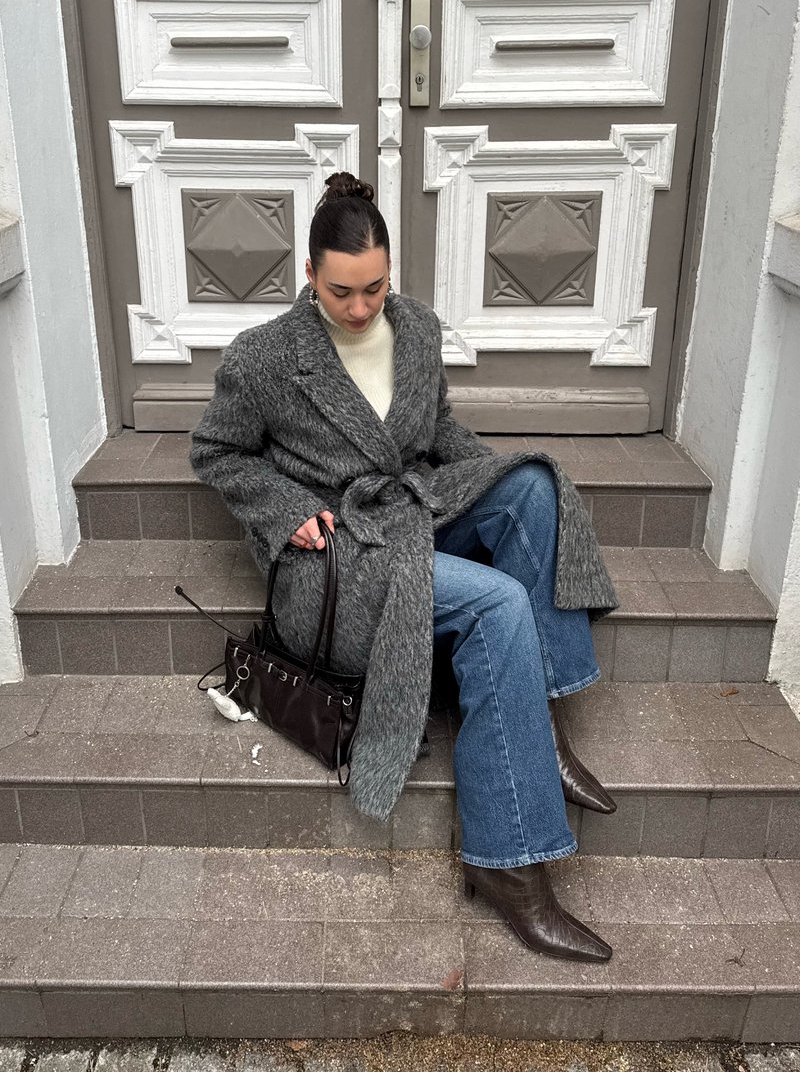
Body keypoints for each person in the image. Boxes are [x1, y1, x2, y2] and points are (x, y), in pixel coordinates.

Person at [190, 171, 620, 964]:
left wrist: (484, 480)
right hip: (341, 562)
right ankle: (510, 869)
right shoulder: (265, 358)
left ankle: (545, 725)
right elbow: (214, 450)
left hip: (408, 512)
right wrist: (285, 508)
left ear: (393, 274)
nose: (361, 309)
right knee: (497, 606)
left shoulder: (414, 330)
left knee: (531, 482)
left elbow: (438, 433)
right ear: (311, 275)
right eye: (342, 291)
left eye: (376, 288)